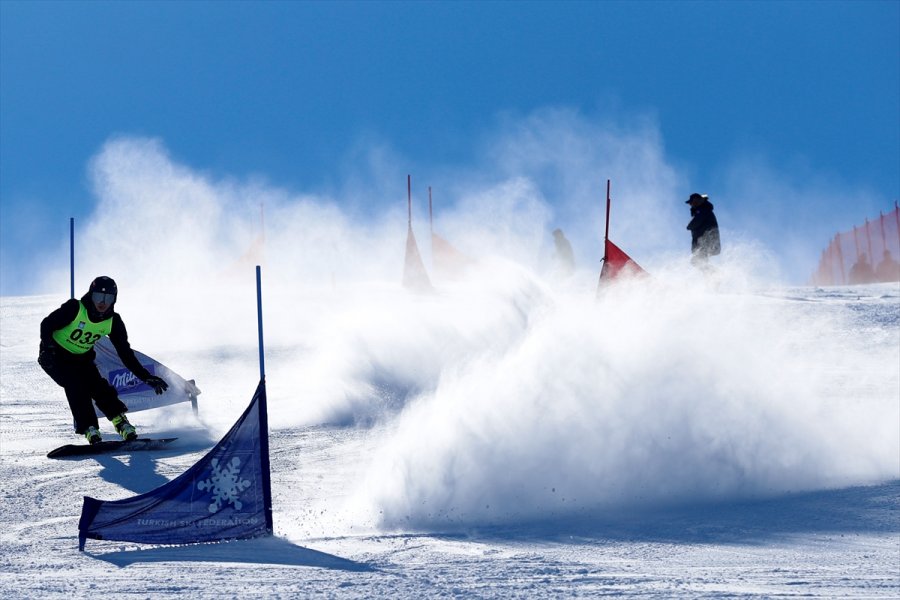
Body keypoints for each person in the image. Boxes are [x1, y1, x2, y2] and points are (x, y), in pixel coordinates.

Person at [38, 276, 168, 444]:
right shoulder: (75, 308)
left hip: (81, 358)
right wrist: (48, 349)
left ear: (114, 299)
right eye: (99, 296)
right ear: (91, 295)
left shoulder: (113, 321)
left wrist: (145, 376)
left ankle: (120, 422)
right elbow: (47, 324)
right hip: (54, 357)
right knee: (76, 385)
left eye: (108, 298)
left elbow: (125, 353)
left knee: (98, 386)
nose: (103, 302)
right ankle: (90, 428)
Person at [685, 193, 720, 268]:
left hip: (707, 240)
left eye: (691, 202)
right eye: (690, 203)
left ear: (697, 200)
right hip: (705, 241)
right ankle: (713, 276)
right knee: (698, 261)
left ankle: (714, 275)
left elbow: (696, 222)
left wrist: (689, 226)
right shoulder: (702, 210)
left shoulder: (703, 210)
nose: (691, 204)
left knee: (698, 261)